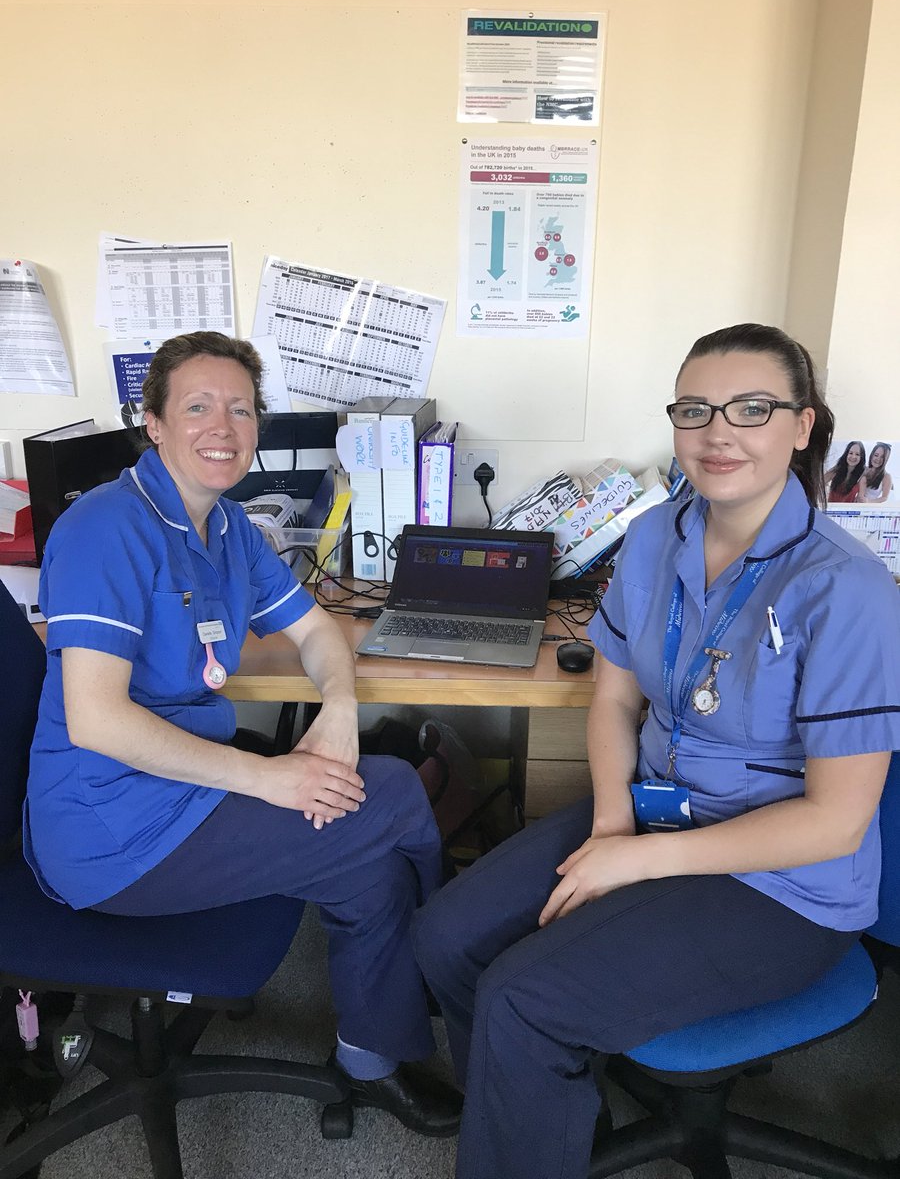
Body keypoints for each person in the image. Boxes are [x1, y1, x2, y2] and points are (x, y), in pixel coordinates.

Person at [412, 323, 900, 1179]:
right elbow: (613, 695)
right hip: (649, 819)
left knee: (523, 1000)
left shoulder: (846, 591)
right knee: (447, 934)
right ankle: (551, 1117)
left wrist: (632, 866)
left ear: (803, 426)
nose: (719, 432)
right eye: (695, 409)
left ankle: (530, 1100)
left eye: (753, 409)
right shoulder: (655, 537)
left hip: (782, 887)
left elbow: (834, 823)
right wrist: (612, 829)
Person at [24, 331, 461, 1136]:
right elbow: (96, 719)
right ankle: (459, 987)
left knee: (367, 864)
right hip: (111, 831)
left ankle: (372, 1059)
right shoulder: (104, 528)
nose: (223, 425)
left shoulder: (228, 530)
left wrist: (336, 710)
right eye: (197, 406)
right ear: (152, 422)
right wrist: (271, 777)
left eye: (240, 407)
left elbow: (319, 632)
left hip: (186, 795)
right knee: (395, 794)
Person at [825, 439, 865, 503]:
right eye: (851, 453)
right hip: (832, 509)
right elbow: (819, 484)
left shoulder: (863, 473)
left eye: (857, 454)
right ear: (846, 454)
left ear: (861, 457)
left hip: (848, 510)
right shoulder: (837, 469)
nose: (853, 456)